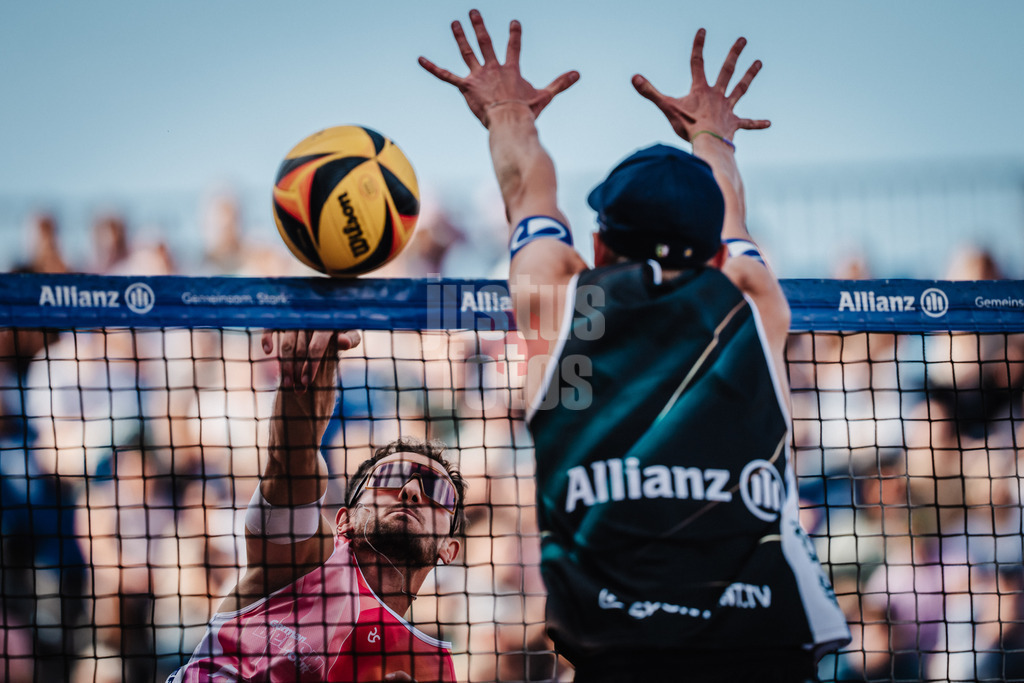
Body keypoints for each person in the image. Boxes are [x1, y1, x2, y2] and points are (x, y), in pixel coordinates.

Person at [420, 10, 850, 682]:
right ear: (717, 253)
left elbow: (524, 186)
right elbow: (730, 210)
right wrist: (713, 134)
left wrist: (508, 110)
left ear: (597, 244)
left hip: (617, 653)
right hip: (760, 653)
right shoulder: (752, 303)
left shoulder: (561, 306)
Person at [170, 330, 466, 683]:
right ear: (345, 520)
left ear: (449, 549)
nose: (413, 490)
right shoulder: (306, 558)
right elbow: (293, 457)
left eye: (438, 491)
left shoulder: (425, 669)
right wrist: (313, 359)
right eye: (390, 476)